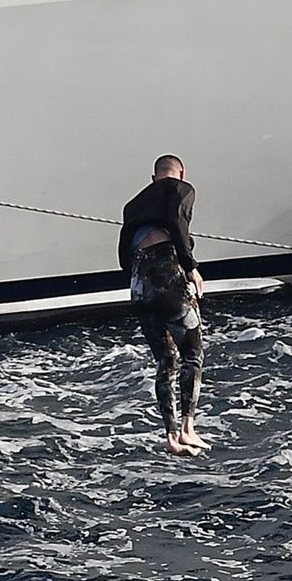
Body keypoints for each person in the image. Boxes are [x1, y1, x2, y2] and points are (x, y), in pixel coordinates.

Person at [119, 154, 207, 455]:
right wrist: (190, 267)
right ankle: (188, 429)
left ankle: (171, 437)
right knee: (192, 354)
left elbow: (123, 255)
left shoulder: (132, 205)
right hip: (167, 275)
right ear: (181, 173)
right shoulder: (180, 189)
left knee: (165, 361)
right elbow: (177, 222)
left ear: (152, 177)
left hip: (139, 286)